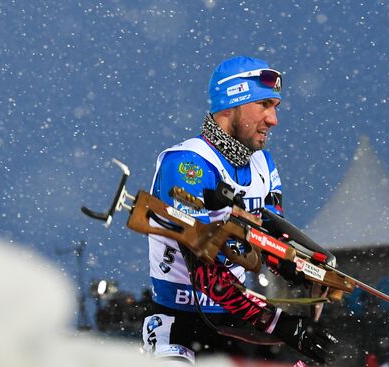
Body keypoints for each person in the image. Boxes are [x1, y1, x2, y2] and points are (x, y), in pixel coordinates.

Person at [142, 56, 337, 365]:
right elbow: (205, 273)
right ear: (230, 105)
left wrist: (305, 266)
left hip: (236, 321)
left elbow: (272, 238)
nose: (273, 120)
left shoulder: (263, 164)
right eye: (264, 105)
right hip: (182, 325)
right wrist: (279, 323)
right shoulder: (187, 163)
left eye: (275, 107)